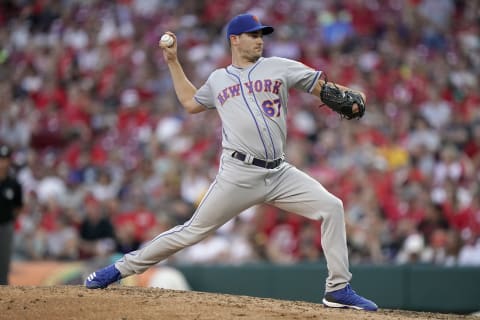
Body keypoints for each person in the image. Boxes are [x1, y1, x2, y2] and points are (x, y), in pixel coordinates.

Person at [85, 13, 378, 311]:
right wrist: (173, 61)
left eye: (262, 35)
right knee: (191, 231)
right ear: (234, 40)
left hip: (279, 172)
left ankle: (338, 288)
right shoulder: (217, 79)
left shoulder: (280, 66)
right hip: (238, 173)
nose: (259, 40)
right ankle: (118, 270)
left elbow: (324, 88)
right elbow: (190, 103)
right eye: (253, 35)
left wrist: (352, 95)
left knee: (332, 207)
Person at [0, 144, 23, 284]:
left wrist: (11, 219)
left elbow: (18, 206)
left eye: (5, 159)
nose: (2, 163)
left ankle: (3, 288)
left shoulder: (14, 183)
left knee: (4, 259)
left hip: (5, 225)